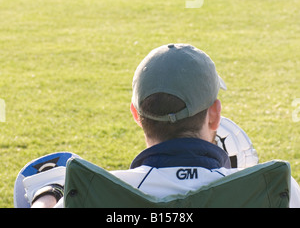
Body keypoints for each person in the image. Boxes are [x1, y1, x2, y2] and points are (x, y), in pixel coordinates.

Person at [17, 44, 300, 208]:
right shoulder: (277, 191)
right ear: (214, 115)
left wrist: (47, 196)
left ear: (136, 115)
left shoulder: (87, 195)